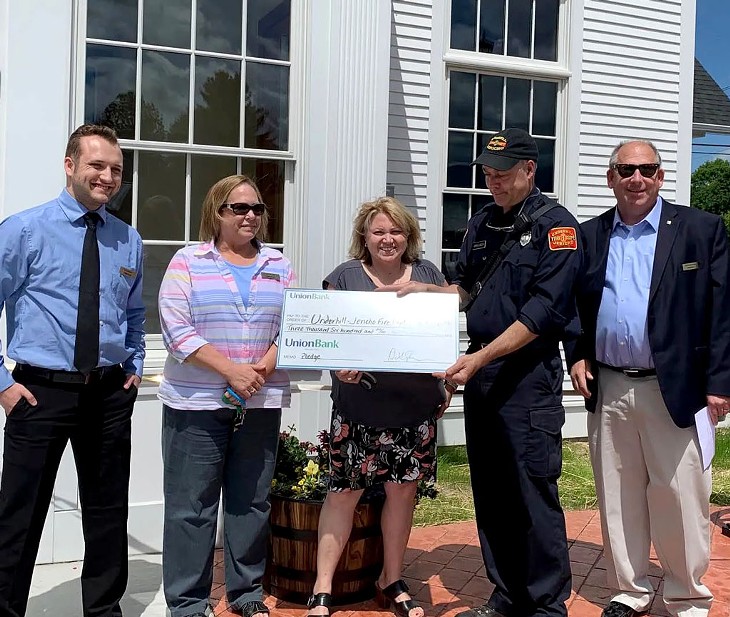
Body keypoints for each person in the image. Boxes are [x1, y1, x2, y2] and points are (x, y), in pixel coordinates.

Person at [394, 128, 582, 617]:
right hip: (482, 377)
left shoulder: (557, 228)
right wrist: (425, 295)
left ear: (529, 170)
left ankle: (545, 606)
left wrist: (479, 358)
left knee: (531, 492)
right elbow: (466, 290)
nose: (492, 181)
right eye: (487, 173)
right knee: (492, 491)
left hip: (527, 379)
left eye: (501, 173)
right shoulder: (481, 223)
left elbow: (544, 312)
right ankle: (505, 595)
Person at [566, 140, 730, 617]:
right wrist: (576, 353)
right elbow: (577, 305)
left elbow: (723, 313)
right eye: (625, 169)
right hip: (610, 384)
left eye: (646, 169)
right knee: (617, 491)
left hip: (675, 387)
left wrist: (719, 383)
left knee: (680, 493)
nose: (636, 178)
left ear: (660, 177)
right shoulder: (591, 234)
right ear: (611, 177)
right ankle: (630, 590)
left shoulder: (701, 230)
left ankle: (686, 596)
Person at [0, 124, 145, 617]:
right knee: (20, 514)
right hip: (39, 393)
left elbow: (134, 313)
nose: (107, 177)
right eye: (97, 166)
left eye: (116, 170)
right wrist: (4, 386)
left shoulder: (128, 239)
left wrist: (135, 363)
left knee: (107, 514)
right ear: (70, 165)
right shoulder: (23, 230)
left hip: (106, 395)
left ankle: (103, 611)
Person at [306, 197, 452, 617]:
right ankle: (323, 588)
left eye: (396, 231)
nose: (388, 239)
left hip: (413, 407)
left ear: (408, 236)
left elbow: (442, 332)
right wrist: (338, 369)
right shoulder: (345, 278)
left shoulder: (427, 275)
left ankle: (392, 578)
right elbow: (324, 337)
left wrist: (447, 384)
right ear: (364, 238)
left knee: (403, 493)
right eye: (379, 232)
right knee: (343, 493)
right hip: (359, 407)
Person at [158, 174, 296, 617]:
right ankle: (188, 601)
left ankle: (246, 593)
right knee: (191, 508)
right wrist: (232, 371)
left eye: (256, 208)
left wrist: (263, 367)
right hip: (195, 404)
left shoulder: (279, 264)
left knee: (250, 502)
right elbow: (177, 331)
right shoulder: (187, 262)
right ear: (216, 214)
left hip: (259, 402)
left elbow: (293, 326)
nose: (250, 216)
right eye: (239, 208)